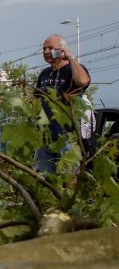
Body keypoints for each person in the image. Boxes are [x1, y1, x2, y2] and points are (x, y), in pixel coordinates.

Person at [34, 34, 91, 173]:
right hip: (45, 137)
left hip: (67, 135)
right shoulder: (45, 73)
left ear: (62, 50)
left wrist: (71, 57)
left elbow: (83, 82)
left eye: (50, 48)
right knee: (44, 178)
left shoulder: (74, 69)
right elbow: (36, 99)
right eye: (44, 49)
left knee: (69, 176)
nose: (46, 52)